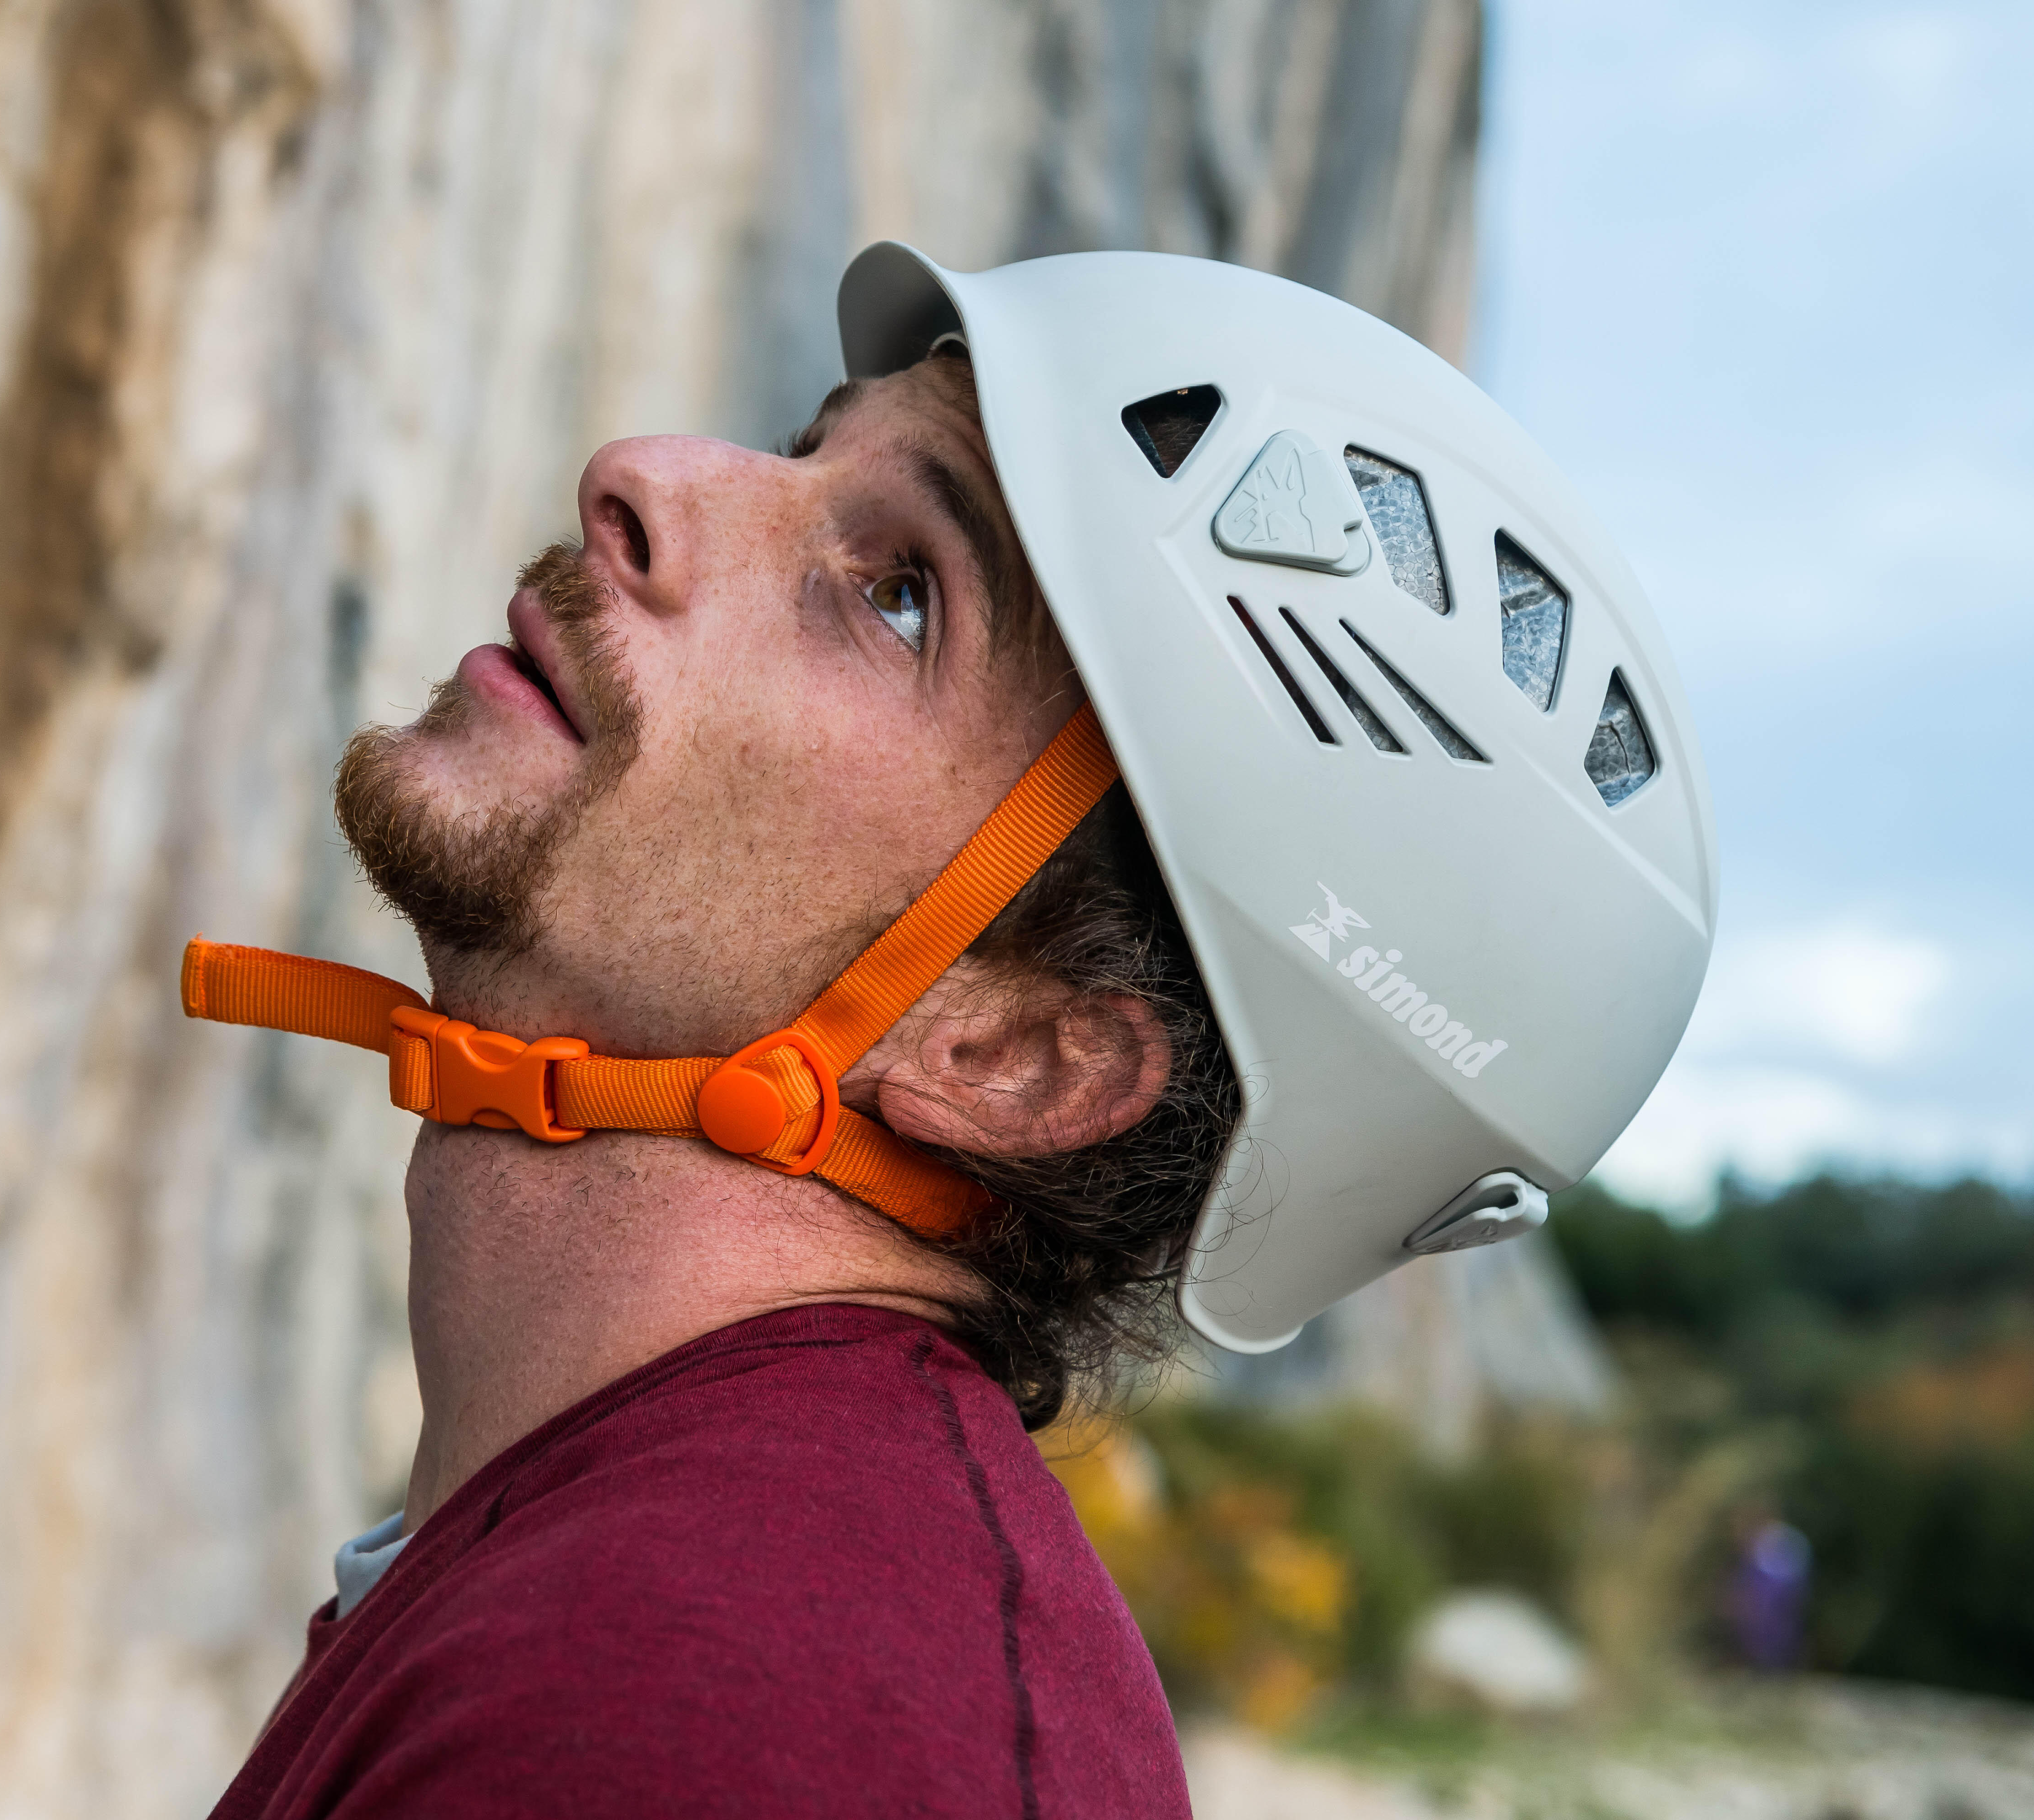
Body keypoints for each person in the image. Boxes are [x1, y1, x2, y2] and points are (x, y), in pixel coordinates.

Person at [188, 245, 1715, 1817]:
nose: (642, 474)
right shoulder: (654, 1601)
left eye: (901, 595)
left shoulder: (739, 1721)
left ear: (1017, 1059)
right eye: (804, 450)